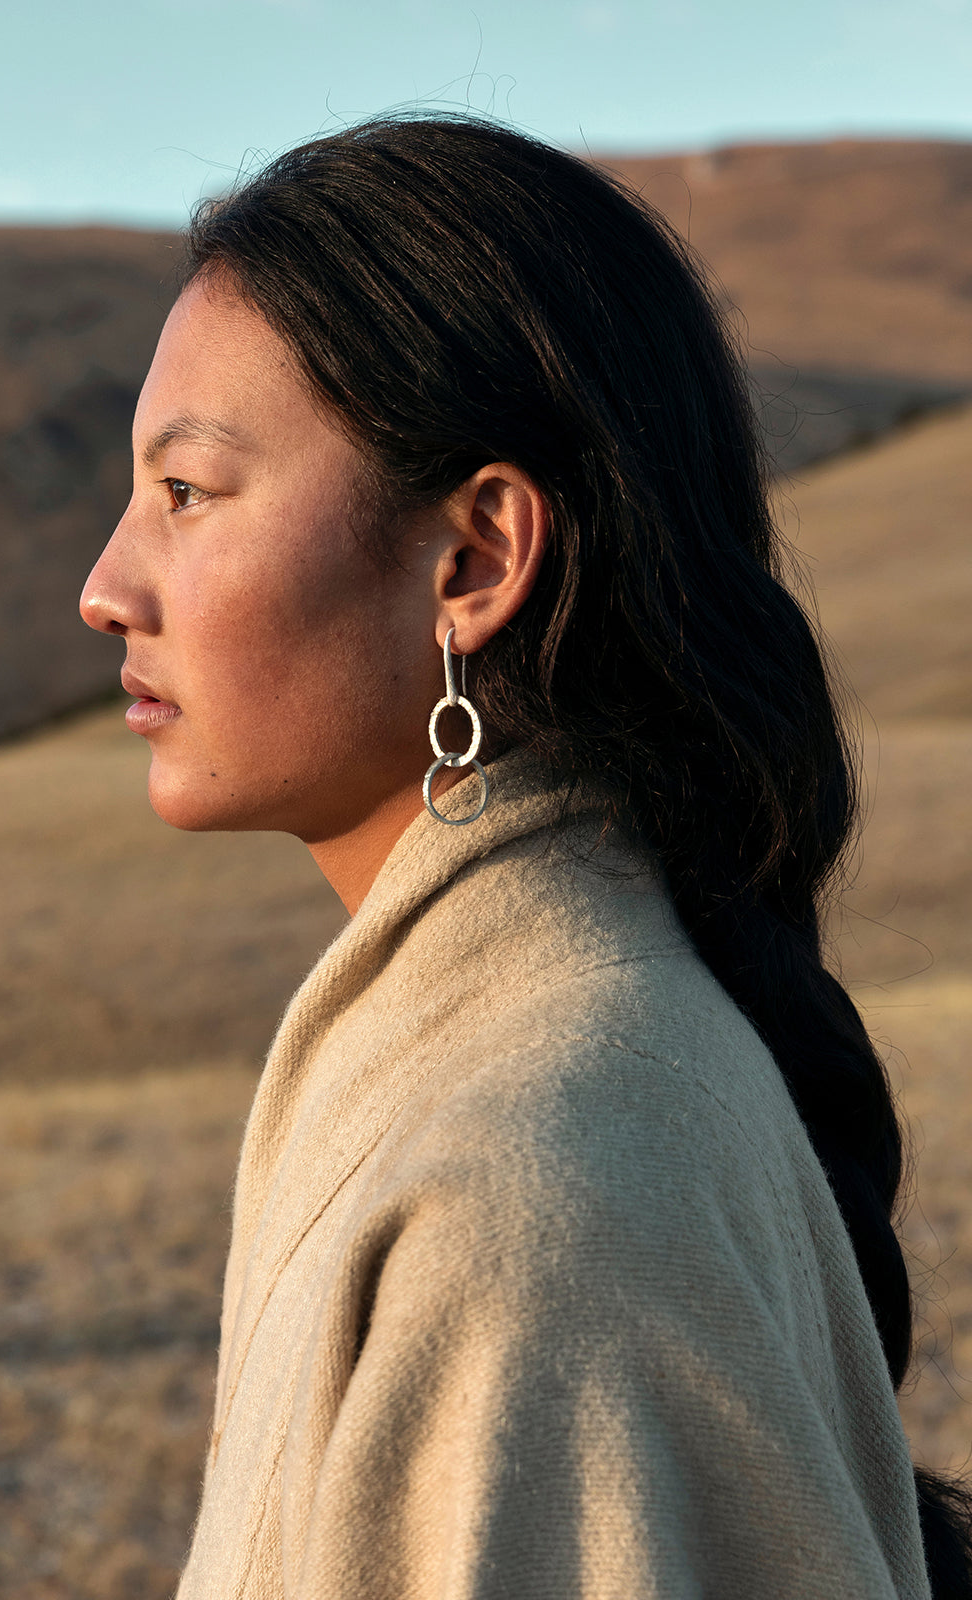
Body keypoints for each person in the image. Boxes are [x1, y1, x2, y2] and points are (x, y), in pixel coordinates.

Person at [79, 113, 971, 1598]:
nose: (106, 586)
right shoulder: (507, 1059)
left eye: (188, 492)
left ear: (477, 556)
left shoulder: (518, 1194)